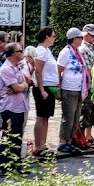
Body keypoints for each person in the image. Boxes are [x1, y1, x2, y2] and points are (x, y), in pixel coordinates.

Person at [0, 42, 30, 170]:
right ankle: (4, 165)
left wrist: (22, 86)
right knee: (9, 137)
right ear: (15, 54)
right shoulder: (6, 69)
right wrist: (21, 86)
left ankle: (16, 163)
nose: (23, 53)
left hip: (18, 106)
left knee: (17, 137)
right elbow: (18, 87)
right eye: (21, 50)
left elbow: (25, 84)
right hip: (10, 108)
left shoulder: (16, 68)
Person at [56, 28, 88, 156]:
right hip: (68, 88)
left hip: (79, 88)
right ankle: (63, 142)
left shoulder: (77, 52)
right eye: (80, 37)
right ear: (75, 39)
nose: (82, 39)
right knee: (68, 116)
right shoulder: (65, 52)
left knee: (75, 117)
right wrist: (58, 88)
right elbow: (58, 70)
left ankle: (70, 141)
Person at [32, 27, 59, 157]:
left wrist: (56, 90)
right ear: (47, 37)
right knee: (41, 116)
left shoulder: (47, 51)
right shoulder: (41, 51)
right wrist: (42, 89)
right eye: (53, 36)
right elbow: (38, 71)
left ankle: (43, 145)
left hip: (50, 87)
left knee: (46, 117)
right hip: (43, 87)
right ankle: (38, 146)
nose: (54, 38)